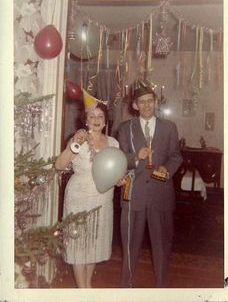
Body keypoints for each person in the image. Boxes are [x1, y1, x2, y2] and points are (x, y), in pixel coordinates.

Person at [117, 79, 182, 288]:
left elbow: (176, 156)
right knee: (130, 245)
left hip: (160, 194)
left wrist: (167, 169)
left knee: (162, 245)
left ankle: (161, 287)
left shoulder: (169, 127)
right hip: (133, 194)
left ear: (156, 103)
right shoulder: (125, 128)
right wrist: (136, 157)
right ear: (134, 105)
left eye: (150, 101)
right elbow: (120, 159)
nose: (146, 105)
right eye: (141, 102)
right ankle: (126, 286)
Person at [55, 90, 119, 288]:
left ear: (106, 120)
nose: (96, 119)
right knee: (79, 244)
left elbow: (115, 172)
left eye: (100, 116)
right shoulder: (78, 140)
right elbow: (59, 165)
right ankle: (83, 291)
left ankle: (88, 284)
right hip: (80, 198)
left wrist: (120, 180)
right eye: (92, 116)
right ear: (86, 119)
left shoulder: (114, 143)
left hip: (103, 200)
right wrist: (74, 144)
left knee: (95, 244)